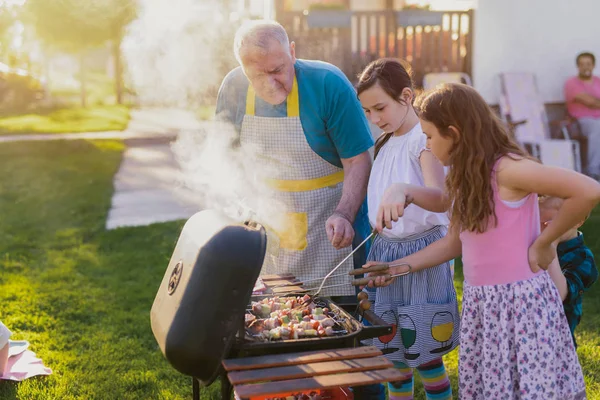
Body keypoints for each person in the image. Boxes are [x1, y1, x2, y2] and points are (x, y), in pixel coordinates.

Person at [367, 83, 598, 399]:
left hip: (520, 307)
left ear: (454, 133)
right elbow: (453, 244)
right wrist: (396, 268)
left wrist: (546, 242)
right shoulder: (464, 176)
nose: (428, 145)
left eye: (431, 137)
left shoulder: (507, 170)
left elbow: (587, 190)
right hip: (484, 306)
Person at [215, 20, 374, 297]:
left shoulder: (328, 85)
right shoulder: (233, 88)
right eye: (256, 75)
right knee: (275, 318)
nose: (270, 84)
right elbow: (227, 157)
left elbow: (358, 160)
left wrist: (344, 214)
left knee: (340, 321)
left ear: (292, 51)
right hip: (268, 232)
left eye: (277, 70)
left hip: (331, 230)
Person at [356, 58, 457, 400]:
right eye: (367, 111)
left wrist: (404, 190)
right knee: (392, 356)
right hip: (385, 252)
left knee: (425, 357)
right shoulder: (384, 141)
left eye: (380, 108)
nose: (374, 118)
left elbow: (442, 198)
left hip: (420, 254)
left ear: (406, 96)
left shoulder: (422, 140)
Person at [539, 196, 598, 347]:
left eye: (550, 226)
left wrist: (550, 244)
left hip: (557, 340)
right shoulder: (531, 243)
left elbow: (558, 294)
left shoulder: (583, 259)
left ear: (578, 220)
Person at [564, 51, 600, 179]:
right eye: (582, 64)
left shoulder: (598, 81)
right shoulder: (572, 83)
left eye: (588, 64)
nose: (585, 67)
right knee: (598, 127)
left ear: (593, 65)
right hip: (580, 122)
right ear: (577, 66)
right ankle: (594, 171)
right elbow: (589, 102)